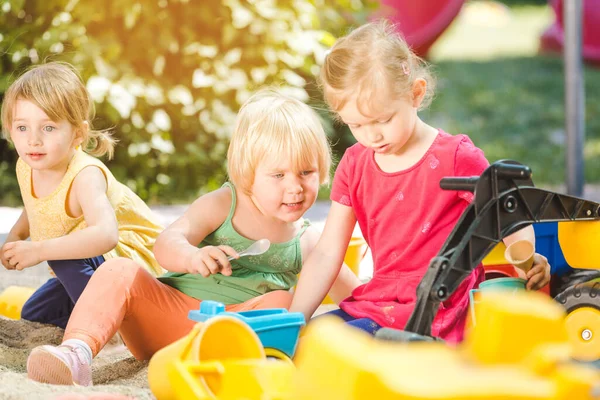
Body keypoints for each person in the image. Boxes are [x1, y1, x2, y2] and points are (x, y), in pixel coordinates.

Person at [25, 89, 360, 386]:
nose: (295, 187)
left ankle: (244, 370)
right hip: (169, 319)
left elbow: (355, 296)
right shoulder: (224, 204)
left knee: (284, 303)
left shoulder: (308, 241)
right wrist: (192, 256)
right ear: (248, 173)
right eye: (278, 174)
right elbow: (166, 243)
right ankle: (77, 352)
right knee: (118, 271)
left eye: (307, 172)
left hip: (232, 338)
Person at [289, 20, 551, 341]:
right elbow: (329, 253)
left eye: (383, 119)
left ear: (416, 93)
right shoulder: (355, 163)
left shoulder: (456, 156)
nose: (371, 135)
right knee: (311, 340)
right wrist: (295, 320)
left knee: (347, 350)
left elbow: (506, 207)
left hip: (438, 306)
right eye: (356, 125)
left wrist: (526, 256)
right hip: (380, 301)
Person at [0, 62, 164, 329]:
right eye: (22, 127)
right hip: (92, 265)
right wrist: (17, 237)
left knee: (61, 254)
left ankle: (108, 326)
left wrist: (39, 249)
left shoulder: (85, 176)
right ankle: (116, 317)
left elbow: (106, 235)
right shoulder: (27, 165)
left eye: (48, 128)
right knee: (35, 313)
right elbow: (38, 204)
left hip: (131, 265)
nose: (33, 140)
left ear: (78, 134)